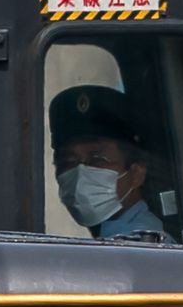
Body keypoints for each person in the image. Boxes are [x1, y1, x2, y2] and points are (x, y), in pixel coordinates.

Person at [50, 86, 170, 240]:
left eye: (97, 159)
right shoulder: (111, 240)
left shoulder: (139, 245)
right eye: (68, 162)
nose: (80, 173)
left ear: (136, 173)